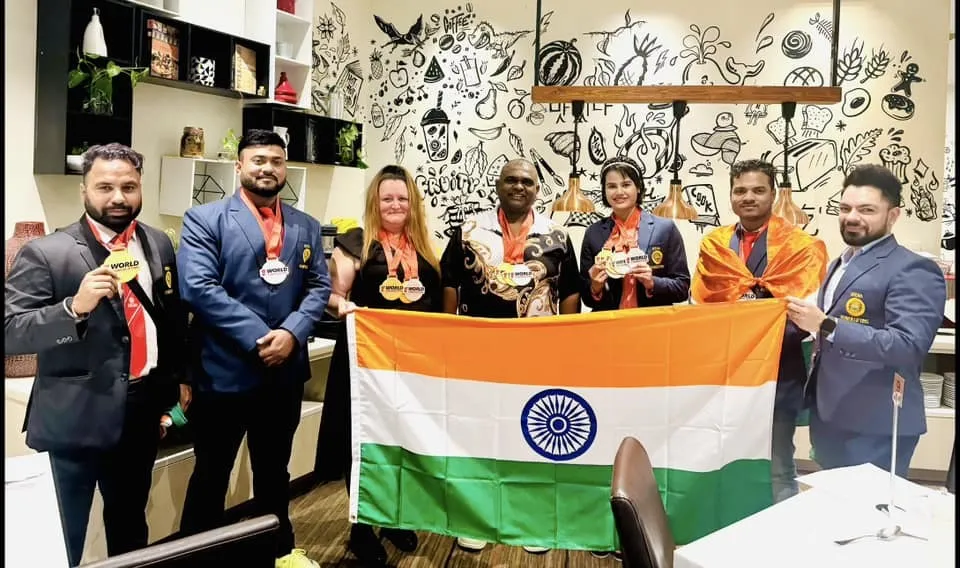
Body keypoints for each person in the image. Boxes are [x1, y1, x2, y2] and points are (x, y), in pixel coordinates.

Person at [4, 143, 190, 566]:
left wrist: (178, 379)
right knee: (62, 536)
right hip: (74, 416)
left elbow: (170, 317)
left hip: (139, 412)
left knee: (130, 527)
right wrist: (73, 308)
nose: (118, 197)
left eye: (128, 186)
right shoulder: (47, 252)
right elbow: (11, 332)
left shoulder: (157, 243)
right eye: (105, 187)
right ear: (84, 190)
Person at [176, 129, 331, 568]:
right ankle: (195, 559)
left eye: (276, 161)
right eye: (258, 160)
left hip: (283, 376)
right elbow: (198, 288)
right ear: (239, 165)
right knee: (211, 475)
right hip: (223, 373)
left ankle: (278, 553)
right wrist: (262, 337)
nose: (267, 168)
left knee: (274, 474)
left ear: (285, 168)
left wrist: (292, 333)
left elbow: (318, 287)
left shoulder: (305, 225)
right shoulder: (204, 219)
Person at [440, 158, 580, 553]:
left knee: (532, 436)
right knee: (480, 434)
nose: (519, 186)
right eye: (511, 180)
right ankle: (478, 518)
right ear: (498, 185)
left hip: (538, 356)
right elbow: (450, 283)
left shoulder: (556, 235)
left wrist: (566, 341)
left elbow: (570, 291)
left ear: (537, 189)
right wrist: (447, 336)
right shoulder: (468, 231)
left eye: (527, 182)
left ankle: (530, 519)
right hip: (478, 353)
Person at [315, 165, 439, 566]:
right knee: (363, 443)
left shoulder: (423, 245)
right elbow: (330, 295)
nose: (395, 205)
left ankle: (394, 517)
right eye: (387, 198)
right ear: (375, 202)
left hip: (410, 364)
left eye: (402, 198)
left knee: (401, 440)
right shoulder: (355, 243)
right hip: (364, 362)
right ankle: (361, 528)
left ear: (412, 203)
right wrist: (344, 306)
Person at [786, 164, 945, 476]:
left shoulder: (912, 269)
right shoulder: (839, 263)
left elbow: (907, 345)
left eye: (867, 209)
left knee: (869, 505)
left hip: (876, 422)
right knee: (834, 499)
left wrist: (826, 325)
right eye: (845, 208)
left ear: (893, 215)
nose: (852, 217)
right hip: (832, 415)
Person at [691, 159, 827, 503]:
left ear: (773, 194)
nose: (748, 197)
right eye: (740, 190)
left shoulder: (801, 247)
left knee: (778, 460)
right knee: (724, 454)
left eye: (757, 190)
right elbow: (701, 306)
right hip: (726, 371)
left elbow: (806, 316)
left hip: (779, 370)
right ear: (731, 195)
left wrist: (756, 332)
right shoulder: (714, 246)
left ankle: (782, 529)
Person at [580, 156, 690, 310]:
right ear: (604, 190)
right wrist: (595, 287)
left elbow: (683, 288)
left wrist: (652, 282)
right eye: (611, 186)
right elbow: (586, 299)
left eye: (626, 184)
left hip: (652, 321)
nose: (619, 192)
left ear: (638, 187)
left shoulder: (665, 229)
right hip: (610, 321)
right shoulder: (593, 233)